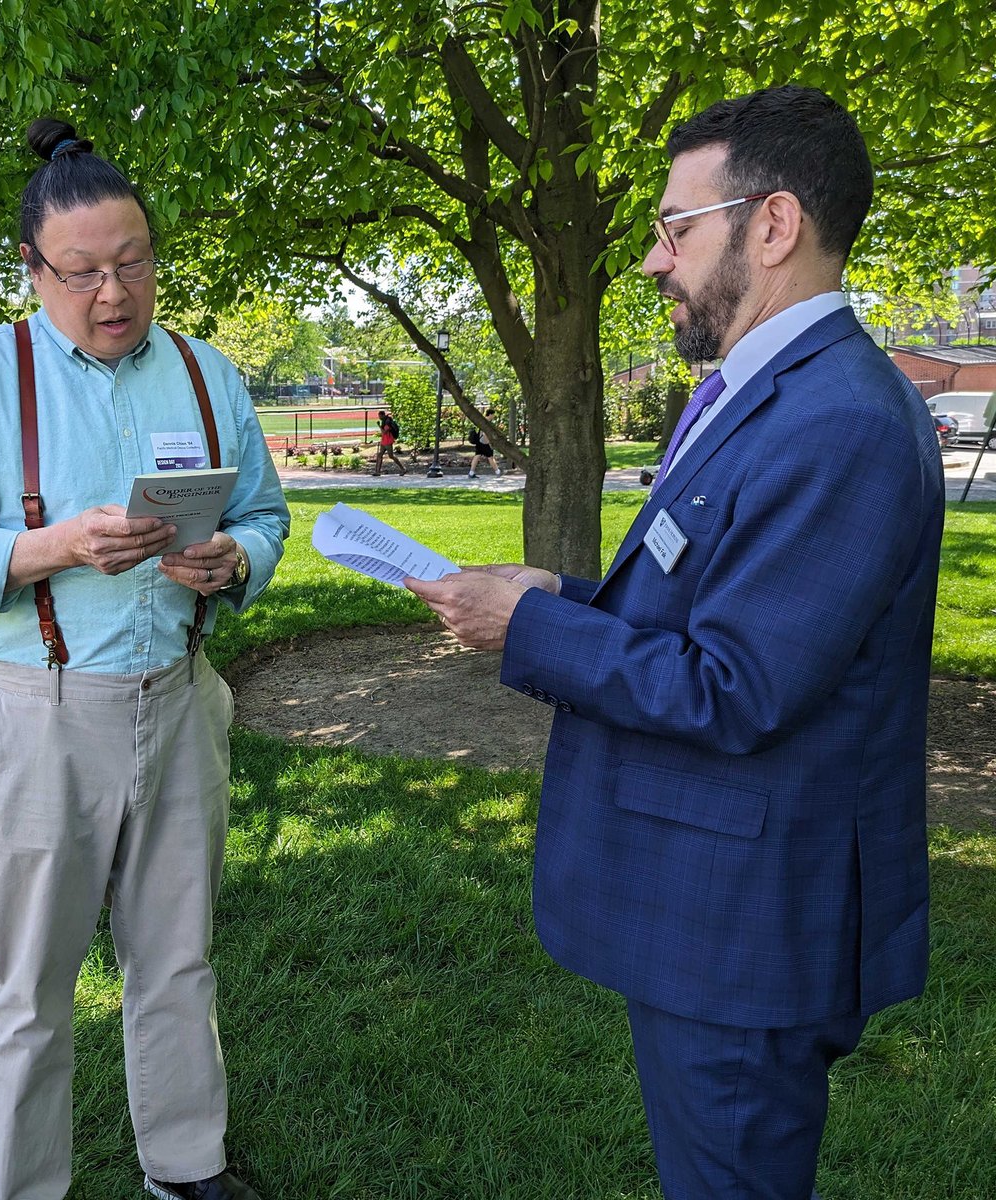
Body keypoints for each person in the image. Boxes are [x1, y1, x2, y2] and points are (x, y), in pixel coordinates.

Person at [406, 86, 944, 1199]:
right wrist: (561, 589)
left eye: (675, 228)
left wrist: (529, 627)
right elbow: (709, 596)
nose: (655, 261)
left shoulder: (839, 417)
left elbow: (736, 686)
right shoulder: (772, 391)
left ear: (775, 225)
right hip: (717, 911)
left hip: (748, 934)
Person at [0, 118, 289, 1200]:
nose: (114, 293)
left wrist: (232, 563)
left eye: (134, 263)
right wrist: (49, 546)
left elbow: (265, 515)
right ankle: (25, 1188)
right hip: (39, 716)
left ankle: (186, 1166)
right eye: (84, 273)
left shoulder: (208, 374)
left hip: (184, 702)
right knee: (30, 985)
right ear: (32, 270)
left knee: (177, 956)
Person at [466, 409, 502, 478]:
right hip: (484, 442)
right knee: (490, 457)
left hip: (479, 442)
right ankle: (498, 472)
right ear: (490, 414)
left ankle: (471, 473)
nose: (494, 416)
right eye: (493, 415)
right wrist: (489, 443)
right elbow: (485, 434)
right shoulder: (486, 422)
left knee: (477, 456)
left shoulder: (482, 420)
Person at [372, 408, 406, 475]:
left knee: (391, 456)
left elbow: (384, 432)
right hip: (384, 441)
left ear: (382, 415)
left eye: (379, 416)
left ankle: (403, 469)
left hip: (388, 441)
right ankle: (377, 472)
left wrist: (379, 426)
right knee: (379, 455)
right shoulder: (384, 421)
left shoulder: (387, 422)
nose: (379, 418)